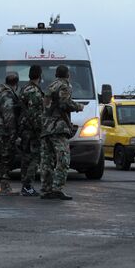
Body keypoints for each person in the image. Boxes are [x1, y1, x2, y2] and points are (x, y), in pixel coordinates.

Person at [40, 65, 84, 200]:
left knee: (47, 160)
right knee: (63, 158)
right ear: (68, 75)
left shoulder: (50, 86)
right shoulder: (65, 86)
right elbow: (65, 104)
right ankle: (57, 188)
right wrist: (78, 107)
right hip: (58, 127)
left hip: (46, 128)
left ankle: (46, 189)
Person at [0, 72, 21, 195]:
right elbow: (9, 115)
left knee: (3, 158)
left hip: (0, 131)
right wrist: (13, 133)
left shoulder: (1, 93)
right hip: (4, 132)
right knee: (6, 159)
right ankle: (5, 187)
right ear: (16, 82)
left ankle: (4, 185)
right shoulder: (7, 95)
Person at [18, 65, 44, 196]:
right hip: (32, 129)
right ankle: (28, 185)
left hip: (24, 128)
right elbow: (34, 114)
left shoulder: (24, 89)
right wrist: (40, 129)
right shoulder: (34, 91)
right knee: (35, 157)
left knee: (26, 157)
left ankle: (25, 185)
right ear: (40, 75)